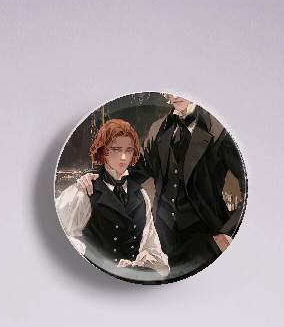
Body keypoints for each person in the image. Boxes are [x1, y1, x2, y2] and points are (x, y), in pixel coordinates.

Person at [76, 95, 246, 278]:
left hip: (206, 239)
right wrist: (96, 177)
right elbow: (135, 171)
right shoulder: (158, 128)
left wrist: (227, 234)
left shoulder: (219, 129)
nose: (175, 96)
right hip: (163, 240)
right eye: (171, 91)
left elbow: (250, 186)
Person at [55, 118, 169, 278]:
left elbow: (152, 246)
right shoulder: (84, 191)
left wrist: (138, 264)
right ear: (103, 151)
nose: (123, 157)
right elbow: (60, 236)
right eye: (116, 149)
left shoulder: (141, 195)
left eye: (129, 150)